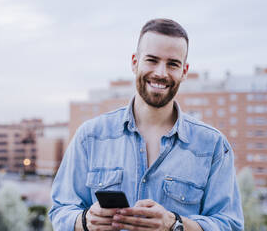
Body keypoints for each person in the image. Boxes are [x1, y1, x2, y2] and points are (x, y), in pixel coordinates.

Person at [49, 18, 244, 231]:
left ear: (184, 71)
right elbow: (60, 210)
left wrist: (175, 225)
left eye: (172, 64)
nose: (161, 72)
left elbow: (231, 225)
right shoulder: (90, 136)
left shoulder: (213, 145)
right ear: (134, 62)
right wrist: (84, 221)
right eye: (152, 60)